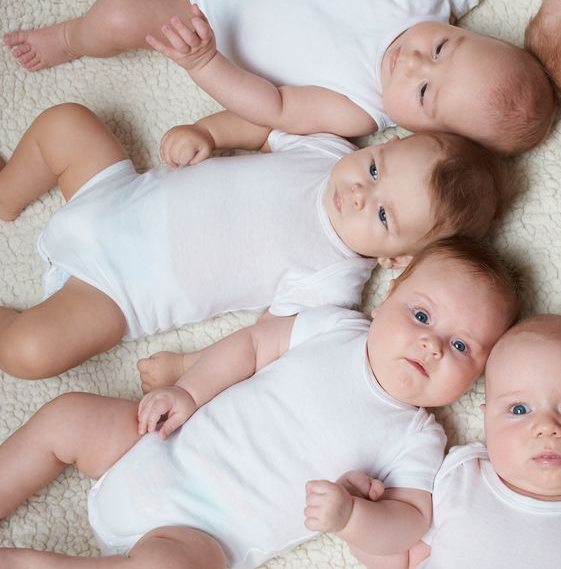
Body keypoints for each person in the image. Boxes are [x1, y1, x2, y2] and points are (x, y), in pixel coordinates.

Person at [0, 238, 519, 569]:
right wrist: (188, 391)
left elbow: (408, 520)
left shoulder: (417, 436)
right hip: (157, 442)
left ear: (478, 376)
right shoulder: (337, 327)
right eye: (422, 317)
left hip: (200, 534)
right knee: (67, 415)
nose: (431, 345)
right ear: (384, 302)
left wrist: (351, 516)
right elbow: (251, 347)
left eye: (460, 346)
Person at [0, 102, 507, 379]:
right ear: (386, 143)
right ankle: (6, 194)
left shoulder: (333, 280)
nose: (357, 193)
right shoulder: (326, 149)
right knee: (65, 122)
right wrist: (209, 134)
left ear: (397, 258)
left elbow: (258, 343)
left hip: (116, 292)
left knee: (30, 352)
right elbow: (263, 125)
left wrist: (188, 368)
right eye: (375, 169)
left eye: (380, 214)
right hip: (113, 192)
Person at [3, 0, 556, 154]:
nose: (414, 60)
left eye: (425, 89)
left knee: (119, 16)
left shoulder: (359, 108)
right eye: (443, 46)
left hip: (192, 2)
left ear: (422, 131)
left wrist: (204, 63)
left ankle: (69, 37)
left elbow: (273, 107)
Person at [358, 314, 561, 568]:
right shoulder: (460, 476)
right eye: (519, 409)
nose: (546, 428)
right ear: (486, 419)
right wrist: (355, 519)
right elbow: (402, 557)